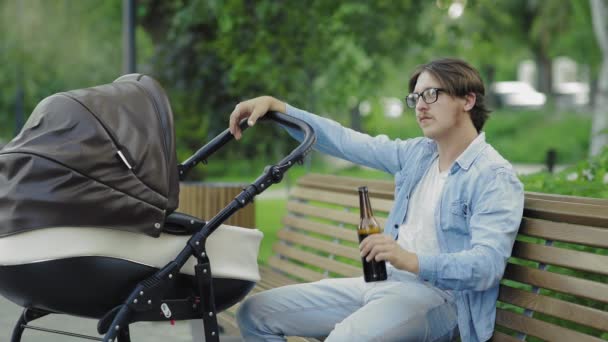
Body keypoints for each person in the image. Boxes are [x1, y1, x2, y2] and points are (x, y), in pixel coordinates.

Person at [228, 58, 524, 342]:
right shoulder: (418, 155)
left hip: (442, 300)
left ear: (468, 100)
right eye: (416, 97)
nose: (420, 105)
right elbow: (346, 141)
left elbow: (486, 266)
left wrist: (409, 260)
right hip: (383, 283)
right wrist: (279, 108)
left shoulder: (493, 176)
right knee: (256, 313)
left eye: (431, 94)